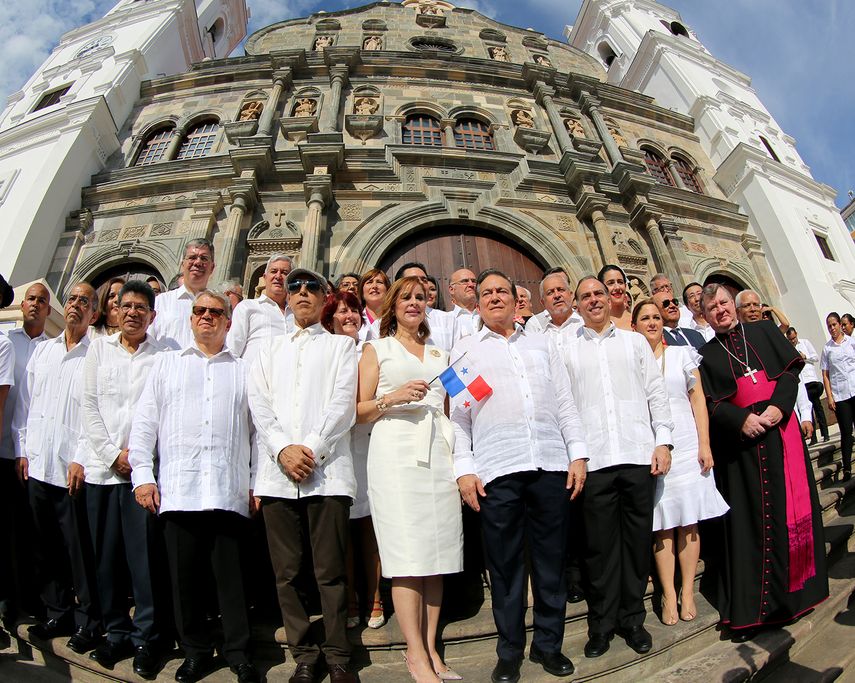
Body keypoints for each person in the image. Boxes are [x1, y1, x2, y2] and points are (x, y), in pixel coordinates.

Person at [452, 269, 587, 683]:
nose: (495, 297)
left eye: (502, 291)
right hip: (497, 469)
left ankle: (548, 646)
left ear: (515, 300)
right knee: (506, 567)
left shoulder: (542, 343)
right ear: (477, 303)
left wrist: (577, 455)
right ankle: (509, 651)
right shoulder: (464, 349)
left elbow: (565, 402)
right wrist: (464, 470)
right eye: (487, 293)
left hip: (549, 465)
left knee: (551, 563)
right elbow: (458, 418)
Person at [129, 289, 259, 683]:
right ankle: (196, 652)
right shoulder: (167, 365)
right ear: (190, 318)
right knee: (184, 582)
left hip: (226, 489)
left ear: (228, 322)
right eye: (199, 310)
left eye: (215, 312)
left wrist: (255, 482)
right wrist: (143, 476)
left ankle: (238, 653)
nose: (206, 316)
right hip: (179, 489)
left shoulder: (244, 370)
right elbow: (144, 424)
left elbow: (258, 433)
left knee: (231, 581)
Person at [698, 283, 828, 640]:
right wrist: (740, 419)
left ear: (733, 304)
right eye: (712, 308)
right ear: (705, 316)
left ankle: (796, 599)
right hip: (741, 450)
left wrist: (778, 408)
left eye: (724, 303)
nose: (721, 310)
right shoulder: (705, 355)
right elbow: (709, 403)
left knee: (788, 514)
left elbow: (789, 372)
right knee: (750, 527)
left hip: (780, 435)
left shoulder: (764, 331)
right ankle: (753, 614)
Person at [248, 268, 358, 683]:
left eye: (312, 286)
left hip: (326, 473)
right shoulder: (267, 349)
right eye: (295, 287)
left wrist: (310, 449)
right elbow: (259, 405)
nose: (303, 292)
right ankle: (304, 655)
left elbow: (342, 405)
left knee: (330, 571)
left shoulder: (341, 347)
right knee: (287, 573)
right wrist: (282, 449)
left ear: (325, 297)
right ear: (288, 297)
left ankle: (338, 655)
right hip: (278, 475)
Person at [358, 275, 463, 683]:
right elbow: (358, 411)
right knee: (406, 554)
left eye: (420, 297)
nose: (414, 302)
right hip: (396, 453)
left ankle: (432, 648)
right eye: (405, 297)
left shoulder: (441, 353)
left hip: (438, 452)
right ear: (393, 305)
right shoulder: (376, 349)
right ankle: (414, 654)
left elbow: (456, 403)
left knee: (438, 553)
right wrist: (392, 397)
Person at [561, 277, 673, 659]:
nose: (594, 300)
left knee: (636, 544)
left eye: (599, 293)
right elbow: (565, 406)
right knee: (598, 549)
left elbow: (656, 392)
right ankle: (601, 625)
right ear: (576, 305)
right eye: (586, 296)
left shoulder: (634, 342)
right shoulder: (567, 349)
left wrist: (663, 441)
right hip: (595, 462)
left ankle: (633, 621)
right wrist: (576, 454)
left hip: (638, 455)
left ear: (610, 300)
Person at [81, 281, 166, 678]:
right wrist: (112, 454)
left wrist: (140, 459)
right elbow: (89, 406)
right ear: (115, 310)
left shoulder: (163, 355)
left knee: (144, 561)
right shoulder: (99, 349)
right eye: (126, 305)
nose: (132, 312)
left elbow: (164, 412)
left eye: (140, 307)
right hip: (103, 471)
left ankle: (148, 637)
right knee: (107, 559)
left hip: (143, 477)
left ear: (152, 315)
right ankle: (116, 631)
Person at [14, 282, 102, 654]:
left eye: (85, 301)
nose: (76, 305)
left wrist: (81, 456)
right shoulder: (44, 351)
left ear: (94, 314)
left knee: (78, 550)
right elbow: (25, 403)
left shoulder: (97, 355)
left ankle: (89, 620)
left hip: (71, 467)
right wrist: (22, 448)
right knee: (44, 545)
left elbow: (95, 412)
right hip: (37, 462)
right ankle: (57, 611)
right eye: (72, 299)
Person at [631, 300, 728, 625]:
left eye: (656, 317)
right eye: (645, 318)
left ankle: (687, 591)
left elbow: (698, 400)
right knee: (663, 525)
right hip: (653, 447)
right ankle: (668, 594)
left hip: (686, 442)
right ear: (634, 326)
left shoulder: (682, 355)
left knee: (689, 522)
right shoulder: (632, 361)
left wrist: (705, 443)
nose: (652, 322)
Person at [320, 291, 385, 631]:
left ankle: (375, 596)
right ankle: (349, 599)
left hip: (367, 445)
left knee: (370, 526)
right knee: (341, 530)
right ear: (329, 318)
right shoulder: (324, 352)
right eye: (341, 311)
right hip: (333, 449)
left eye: (354, 311)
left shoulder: (370, 350)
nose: (349, 316)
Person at [0, 283, 50, 620]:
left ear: (48, 309)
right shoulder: (7, 340)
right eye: (31, 299)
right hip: (2, 445)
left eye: (41, 301)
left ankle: (18, 598)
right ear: (22, 304)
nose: (35, 304)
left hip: (27, 454)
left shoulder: (50, 349)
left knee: (23, 531)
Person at [227, 254, 294, 364]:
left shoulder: (297, 315)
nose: (278, 276)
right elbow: (232, 351)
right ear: (265, 277)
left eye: (284, 273)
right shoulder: (247, 307)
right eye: (274, 271)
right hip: (253, 374)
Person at [151, 238, 216, 350]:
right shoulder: (160, 302)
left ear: (212, 267)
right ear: (182, 264)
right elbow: (147, 341)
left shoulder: (218, 307)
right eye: (192, 257)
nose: (198, 262)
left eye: (204, 258)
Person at [395, 263, 459, 352]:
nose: (420, 283)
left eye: (424, 280)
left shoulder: (448, 320)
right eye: (413, 279)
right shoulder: (380, 325)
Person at [821, 312, 855, 481]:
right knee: (846, 432)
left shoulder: (851, 342)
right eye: (829, 326)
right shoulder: (827, 349)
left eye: (834, 324)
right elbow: (825, 375)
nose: (832, 328)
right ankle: (847, 468)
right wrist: (830, 397)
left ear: (840, 325)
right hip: (840, 395)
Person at [786, 327, 828, 444]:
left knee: (817, 406)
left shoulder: (805, 343)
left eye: (794, 338)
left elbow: (816, 357)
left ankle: (825, 433)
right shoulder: (788, 348)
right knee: (807, 410)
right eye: (790, 339)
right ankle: (813, 438)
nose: (793, 341)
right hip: (801, 383)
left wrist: (805, 357)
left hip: (810, 380)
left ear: (796, 334)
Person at [532, 271, 581, 354]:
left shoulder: (586, 326)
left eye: (561, 290)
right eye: (550, 292)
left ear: (571, 295)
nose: (557, 295)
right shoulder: (540, 337)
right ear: (543, 303)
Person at [358, 268, 390, 342]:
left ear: (387, 290)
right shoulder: (356, 319)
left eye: (379, 282)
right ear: (362, 291)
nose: (374, 286)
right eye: (369, 282)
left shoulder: (396, 319)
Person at [598, 264, 632, 330]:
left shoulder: (639, 320)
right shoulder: (597, 325)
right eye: (611, 283)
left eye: (620, 282)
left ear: (625, 286)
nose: (617, 287)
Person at [448, 268, 480, 337]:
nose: (471, 285)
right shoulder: (447, 320)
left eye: (474, 281)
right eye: (465, 281)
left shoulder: (487, 316)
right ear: (452, 290)